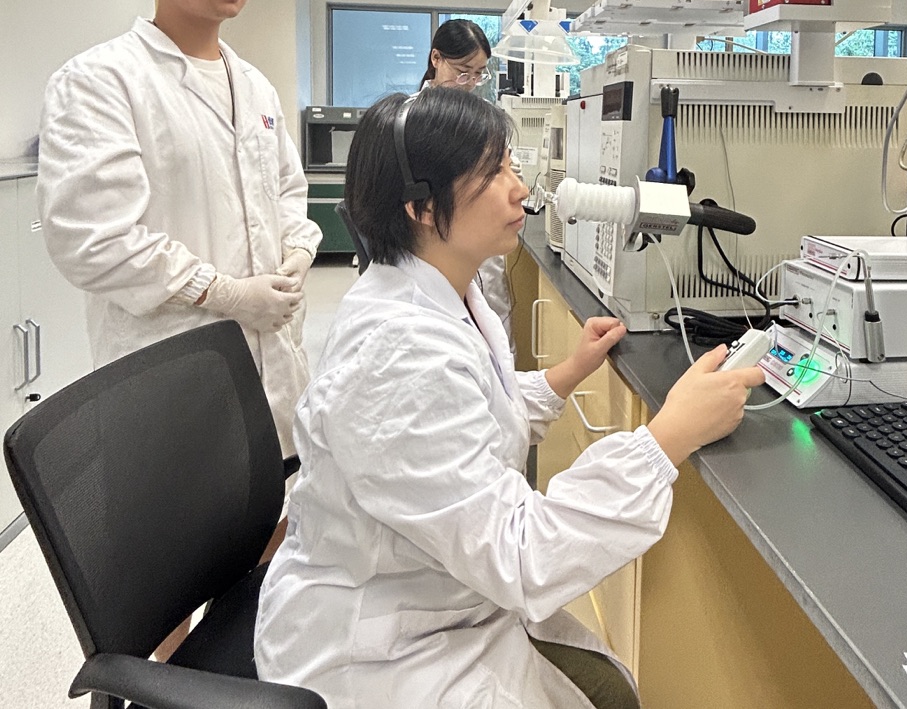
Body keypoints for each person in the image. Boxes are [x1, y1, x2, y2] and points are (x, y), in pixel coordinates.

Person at [255, 87, 764, 709]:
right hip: (382, 647)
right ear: (422, 206)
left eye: (510, 166)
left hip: (437, 596)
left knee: (606, 689)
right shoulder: (400, 356)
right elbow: (522, 556)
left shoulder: (433, 294)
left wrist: (564, 374)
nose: (520, 188)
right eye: (493, 172)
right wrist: (668, 438)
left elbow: (465, 416)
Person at [37, 0, 322, 460]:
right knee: (189, 504)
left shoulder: (255, 86)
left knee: (277, 488)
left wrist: (297, 251)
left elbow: (287, 191)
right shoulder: (101, 81)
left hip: (274, 360)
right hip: (169, 367)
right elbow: (93, 241)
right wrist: (225, 292)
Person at [420, 18, 515, 336]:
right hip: (436, 240)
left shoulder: (484, 116)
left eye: (479, 73)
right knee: (443, 325)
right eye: (463, 71)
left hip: (481, 235)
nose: (471, 82)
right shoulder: (412, 117)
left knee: (492, 315)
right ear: (436, 59)